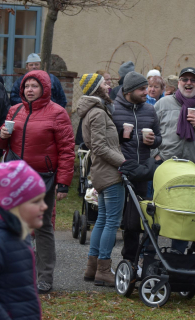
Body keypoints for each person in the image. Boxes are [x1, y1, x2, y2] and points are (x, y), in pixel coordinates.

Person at [0, 69, 75, 294]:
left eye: (34, 86)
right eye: (26, 86)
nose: (29, 90)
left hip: (43, 178)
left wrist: (63, 183)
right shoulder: (14, 111)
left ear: (44, 88)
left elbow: (67, 150)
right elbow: (4, 146)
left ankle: (44, 277)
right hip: (16, 177)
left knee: (42, 227)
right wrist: (2, 136)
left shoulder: (58, 113)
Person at [152, 67, 195, 253]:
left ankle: (178, 254)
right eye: (185, 79)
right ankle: (150, 252)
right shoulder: (163, 104)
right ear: (178, 82)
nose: (188, 83)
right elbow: (150, 131)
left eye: (193, 80)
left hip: (191, 169)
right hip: (164, 165)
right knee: (157, 208)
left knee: (183, 212)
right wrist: (155, 154)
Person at [78, 73, 126, 287]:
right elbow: (98, 146)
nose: (109, 86)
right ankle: (103, 270)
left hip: (102, 171)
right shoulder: (97, 113)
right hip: (109, 172)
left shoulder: (94, 111)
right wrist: (122, 162)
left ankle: (92, 268)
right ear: (97, 88)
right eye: (105, 83)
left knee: (102, 219)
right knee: (111, 222)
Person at [112, 71, 162, 262]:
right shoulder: (114, 109)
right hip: (118, 169)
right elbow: (106, 140)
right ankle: (102, 263)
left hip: (141, 170)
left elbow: (159, 138)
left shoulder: (149, 110)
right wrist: (121, 135)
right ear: (129, 91)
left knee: (136, 216)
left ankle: (130, 258)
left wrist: (153, 140)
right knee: (112, 218)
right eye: (142, 88)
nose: (147, 92)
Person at [0, 160, 48, 320]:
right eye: (36, 201)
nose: (44, 206)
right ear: (12, 204)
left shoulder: (19, 235)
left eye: (43, 199)